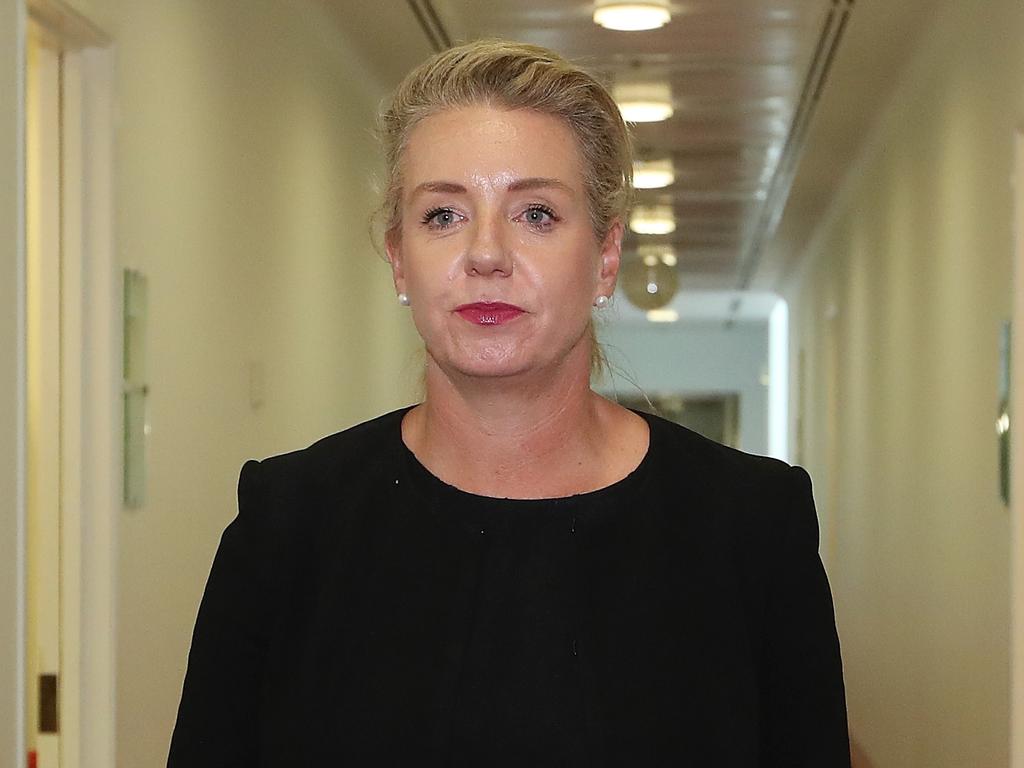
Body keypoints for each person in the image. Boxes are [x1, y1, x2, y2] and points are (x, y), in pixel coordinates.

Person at [168, 39, 850, 767]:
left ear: (606, 256)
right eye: (442, 216)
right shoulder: (288, 526)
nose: (486, 253)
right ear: (399, 257)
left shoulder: (750, 527)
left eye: (535, 214)